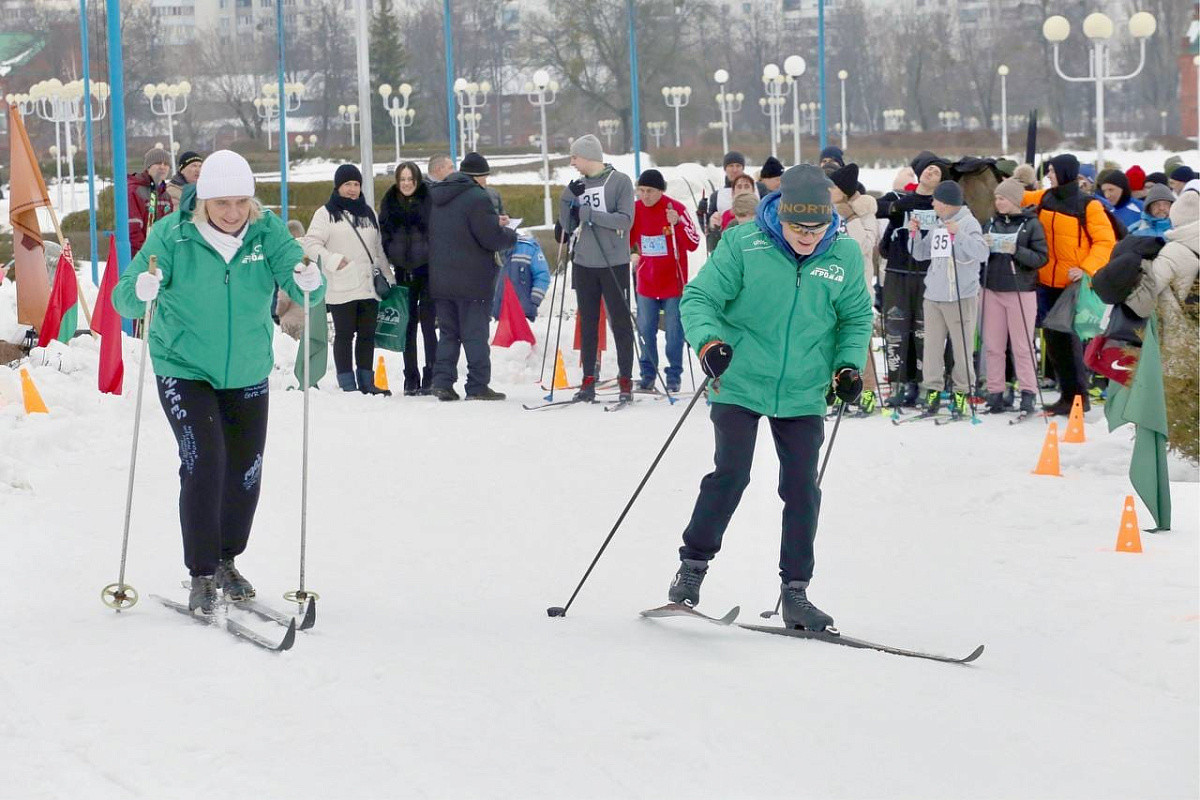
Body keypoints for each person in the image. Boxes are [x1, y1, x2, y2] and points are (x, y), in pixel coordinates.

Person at [111, 149, 325, 614]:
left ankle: (228, 559)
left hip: (246, 368)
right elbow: (126, 296)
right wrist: (142, 290)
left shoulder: (267, 231)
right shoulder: (173, 234)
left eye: (241, 203)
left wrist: (309, 279)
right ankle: (202, 571)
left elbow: (303, 276)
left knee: (245, 470)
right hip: (183, 365)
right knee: (205, 459)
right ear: (202, 201)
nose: (232, 214)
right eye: (221, 203)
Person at [669, 165, 872, 631]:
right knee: (731, 474)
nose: (806, 236)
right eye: (797, 227)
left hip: (803, 389)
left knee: (802, 488)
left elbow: (856, 318)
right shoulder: (744, 244)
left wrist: (847, 365)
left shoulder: (843, 253)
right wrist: (708, 343)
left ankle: (796, 592)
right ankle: (692, 567)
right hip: (739, 378)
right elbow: (699, 298)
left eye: (816, 227)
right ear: (779, 214)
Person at [1022, 153, 1116, 414]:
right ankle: (1067, 395)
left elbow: (1105, 242)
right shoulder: (1044, 197)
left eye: (1052, 171)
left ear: (1064, 172)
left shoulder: (1089, 205)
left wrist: (1085, 268)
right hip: (1045, 281)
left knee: (1067, 340)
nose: (1049, 175)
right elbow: (1014, 196)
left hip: (1072, 284)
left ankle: (1078, 397)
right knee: (1053, 340)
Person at [428, 152, 517, 401]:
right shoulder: (478, 197)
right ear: (479, 177)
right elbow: (490, 238)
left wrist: (491, 222)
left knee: (448, 333)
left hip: (442, 279)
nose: (486, 182)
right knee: (475, 334)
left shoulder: (438, 195)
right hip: (473, 280)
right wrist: (510, 234)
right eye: (486, 177)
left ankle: (442, 382)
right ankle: (477, 385)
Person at [302, 164, 393, 395]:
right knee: (344, 335)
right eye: (347, 184)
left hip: (368, 285)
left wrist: (388, 276)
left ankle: (366, 380)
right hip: (341, 283)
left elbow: (377, 248)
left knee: (367, 335)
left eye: (356, 184)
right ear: (338, 186)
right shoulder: (325, 214)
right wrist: (332, 260)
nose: (352, 189)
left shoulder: (368, 212)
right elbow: (311, 244)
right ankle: (347, 382)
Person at [558, 134, 637, 403]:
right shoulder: (578, 185)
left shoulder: (620, 182)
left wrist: (588, 214)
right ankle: (588, 380)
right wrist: (568, 202)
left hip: (613, 262)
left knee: (620, 321)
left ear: (588, 156)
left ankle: (625, 380)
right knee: (589, 323)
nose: (572, 163)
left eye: (575, 157)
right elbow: (567, 226)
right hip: (584, 263)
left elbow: (625, 220)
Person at [908, 180, 988, 417]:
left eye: (935, 200)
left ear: (945, 202)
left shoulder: (968, 222)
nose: (932, 203)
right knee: (931, 347)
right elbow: (921, 254)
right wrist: (914, 234)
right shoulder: (938, 224)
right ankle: (932, 391)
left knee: (962, 348)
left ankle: (962, 393)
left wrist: (959, 234)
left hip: (960, 296)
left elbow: (982, 253)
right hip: (934, 296)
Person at [880, 150, 948, 408]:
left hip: (928, 274)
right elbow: (875, 208)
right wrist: (897, 208)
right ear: (919, 171)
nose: (931, 172)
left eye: (937, 171)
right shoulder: (900, 198)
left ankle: (924, 384)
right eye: (929, 168)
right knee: (897, 328)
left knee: (924, 331)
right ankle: (899, 383)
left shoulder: (942, 204)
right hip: (898, 272)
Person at [980, 178, 1048, 415]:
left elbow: (1041, 258)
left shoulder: (1031, 225)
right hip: (992, 288)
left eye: (1003, 198)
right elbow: (977, 255)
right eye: (997, 198)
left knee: (1022, 345)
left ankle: (1028, 392)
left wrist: (1016, 251)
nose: (998, 203)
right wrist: (983, 247)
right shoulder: (990, 223)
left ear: (1015, 200)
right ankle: (995, 392)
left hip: (1020, 290)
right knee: (993, 346)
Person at [629, 168, 700, 392]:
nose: (645, 196)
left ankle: (674, 375)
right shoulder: (636, 209)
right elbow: (626, 238)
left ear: (661, 191)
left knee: (674, 332)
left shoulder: (675, 209)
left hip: (673, 283)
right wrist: (631, 252)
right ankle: (647, 374)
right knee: (645, 330)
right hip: (646, 282)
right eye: (641, 191)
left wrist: (677, 223)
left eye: (649, 191)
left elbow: (694, 242)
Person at [379, 161, 436, 395]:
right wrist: (392, 257)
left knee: (429, 325)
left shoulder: (429, 199)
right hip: (403, 271)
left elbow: (439, 232)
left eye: (410, 179)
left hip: (428, 270)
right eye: (402, 179)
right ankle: (410, 376)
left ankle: (432, 374)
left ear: (417, 180)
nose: (406, 184)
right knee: (408, 326)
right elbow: (383, 234)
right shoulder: (389, 201)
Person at [829, 163, 881, 414]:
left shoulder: (864, 212)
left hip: (857, 286)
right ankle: (840, 386)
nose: (829, 190)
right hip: (832, 283)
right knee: (833, 339)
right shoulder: (828, 212)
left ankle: (868, 388)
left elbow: (865, 245)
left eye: (834, 187)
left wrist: (850, 217)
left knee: (859, 340)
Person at [492, 233, 551, 321]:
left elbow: (542, 275)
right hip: (499, 315)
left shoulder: (529, 248)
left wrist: (534, 300)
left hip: (523, 314)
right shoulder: (486, 248)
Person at [128, 147, 175, 256]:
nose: (163, 167)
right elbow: (133, 229)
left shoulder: (166, 195)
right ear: (148, 167)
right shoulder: (135, 191)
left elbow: (169, 228)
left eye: (166, 164)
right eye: (158, 163)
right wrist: (146, 253)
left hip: (160, 256)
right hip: (140, 257)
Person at [274, 219, 309, 340]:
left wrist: (278, 313)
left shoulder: (287, 259)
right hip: (309, 319)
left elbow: (284, 295)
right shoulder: (310, 255)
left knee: (289, 352)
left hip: (290, 322)